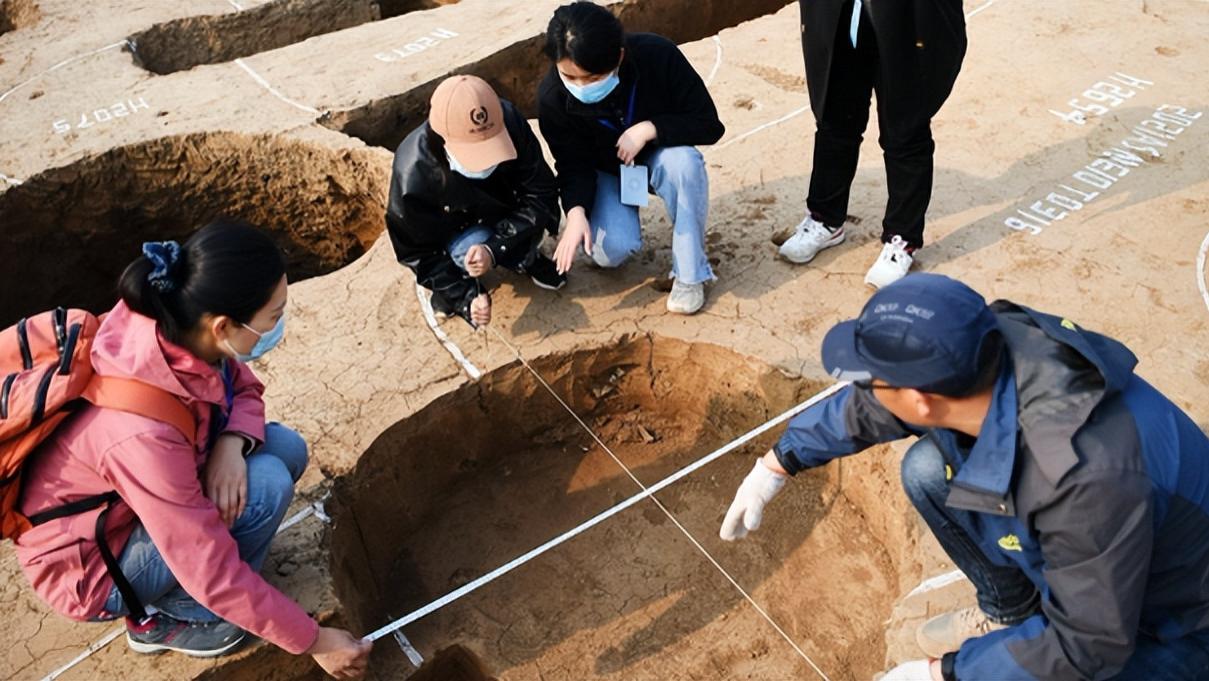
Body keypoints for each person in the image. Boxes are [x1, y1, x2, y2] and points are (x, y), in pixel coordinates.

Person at [720, 273, 1209, 680]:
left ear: (921, 400)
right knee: (929, 471)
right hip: (1102, 560)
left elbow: (1090, 644)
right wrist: (779, 462)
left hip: (1174, 617)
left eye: (872, 378)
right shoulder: (988, 349)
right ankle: (1014, 615)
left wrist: (945, 673)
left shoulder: (1084, 479)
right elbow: (872, 409)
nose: (865, 388)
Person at [14, 221, 371, 678]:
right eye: (272, 316)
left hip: (134, 506)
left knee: (283, 447)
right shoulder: (140, 433)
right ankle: (176, 615)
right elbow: (209, 568)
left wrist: (229, 442)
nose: (277, 326)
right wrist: (314, 640)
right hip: (93, 571)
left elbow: (244, 389)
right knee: (265, 487)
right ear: (223, 326)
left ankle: (194, 583)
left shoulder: (178, 328)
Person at [538, 1, 724, 315]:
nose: (581, 86)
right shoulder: (552, 98)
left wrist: (651, 129)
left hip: (659, 156)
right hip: (607, 171)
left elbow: (708, 124)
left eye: (593, 78)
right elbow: (572, 164)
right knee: (609, 253)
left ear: (619, 57)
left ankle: (691, 274)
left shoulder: (657, 55)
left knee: (685, 164)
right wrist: (576, 212)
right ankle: (616, 217)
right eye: (570, 76)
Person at [778, 0, 967, 289]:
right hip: (842, 14)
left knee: (905, 131)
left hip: (905, 21)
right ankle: (825, 219)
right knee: (835, 120)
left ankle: (901, 239)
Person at [387, 74, 563, 328]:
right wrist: (464, 295)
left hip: (507, 212)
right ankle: (452, 284)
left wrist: (495, 247)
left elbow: (540, 192)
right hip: (459, 231)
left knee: (524, 233)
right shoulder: (413, 169)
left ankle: (525, 257)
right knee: (465, 250)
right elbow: (415, 250)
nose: (487, 163)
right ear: (442, 137)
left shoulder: (509, 120)